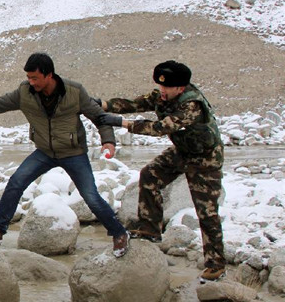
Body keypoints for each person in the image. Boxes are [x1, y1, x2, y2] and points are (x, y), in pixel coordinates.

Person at [0, 53, 130, 257]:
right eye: (28, 77)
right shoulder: (24, 92)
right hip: (44, 151)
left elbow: (100, 116)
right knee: (16, 182)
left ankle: (119, 234)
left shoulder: (74, 91)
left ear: (49, 75)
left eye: (35, 78)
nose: (30, 82)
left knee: (90, 196)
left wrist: (108, 141)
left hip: (73, 152)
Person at [95, 60, 226, 282]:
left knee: (206, 212)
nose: (162, 90)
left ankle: (216, 265)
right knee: (149, 175)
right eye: (160, 85)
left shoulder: (191, 106)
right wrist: (103, 104)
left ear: (181, 88)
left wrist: (123, 124)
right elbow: (135, 103)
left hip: (205, 158)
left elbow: (160, 128)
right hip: (183, 150)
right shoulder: (163, 96)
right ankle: (150, 227)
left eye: (167, 87)